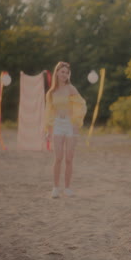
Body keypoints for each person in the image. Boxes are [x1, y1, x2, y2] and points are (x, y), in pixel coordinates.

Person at [44, 61, 87, 198]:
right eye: (62, 72)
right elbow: (49, 112)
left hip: (69, 125)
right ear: (57, 72)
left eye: (67, 72)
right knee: (58, 158)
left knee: (69, 158)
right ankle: (56, 188)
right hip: (57, 125)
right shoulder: (51, 92)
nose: (64, 74)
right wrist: (48, 130)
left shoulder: (71, 89)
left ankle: (67, 188)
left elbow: (81, 105)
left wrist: (76, 123)